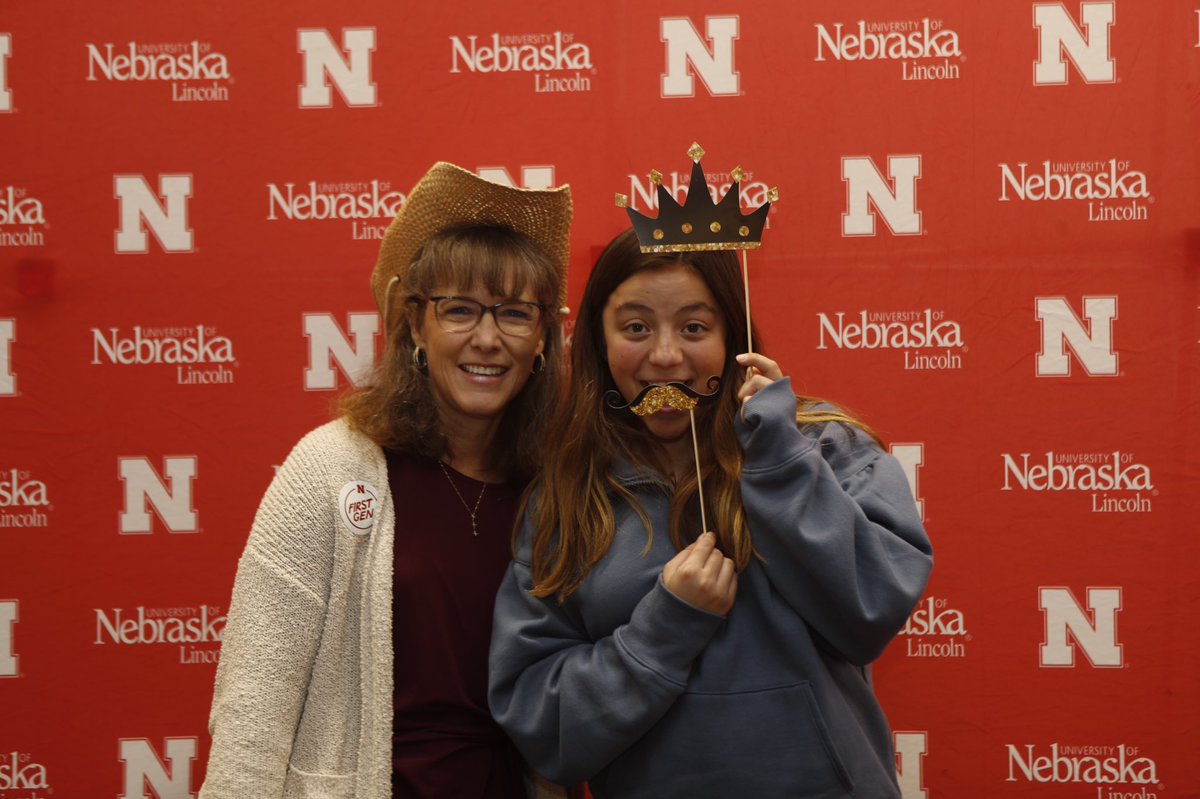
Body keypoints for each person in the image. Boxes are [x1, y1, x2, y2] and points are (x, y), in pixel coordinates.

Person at [488, 226, 933, 798]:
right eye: (636, 328)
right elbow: (544, 731)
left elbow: (873, 607)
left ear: (734, 339)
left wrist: (779, 460)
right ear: (598, 343)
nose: (666, 355)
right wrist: (665, 628)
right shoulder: (565, 498)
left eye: (694, 327)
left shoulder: (823, 447)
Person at [200, 162, 572, 799]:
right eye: (459, 310)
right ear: (414, 326)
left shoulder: (561, 483)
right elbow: (253, 703)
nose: (487, 339)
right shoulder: (331, 468)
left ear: (542, 339)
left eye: (514, 313)